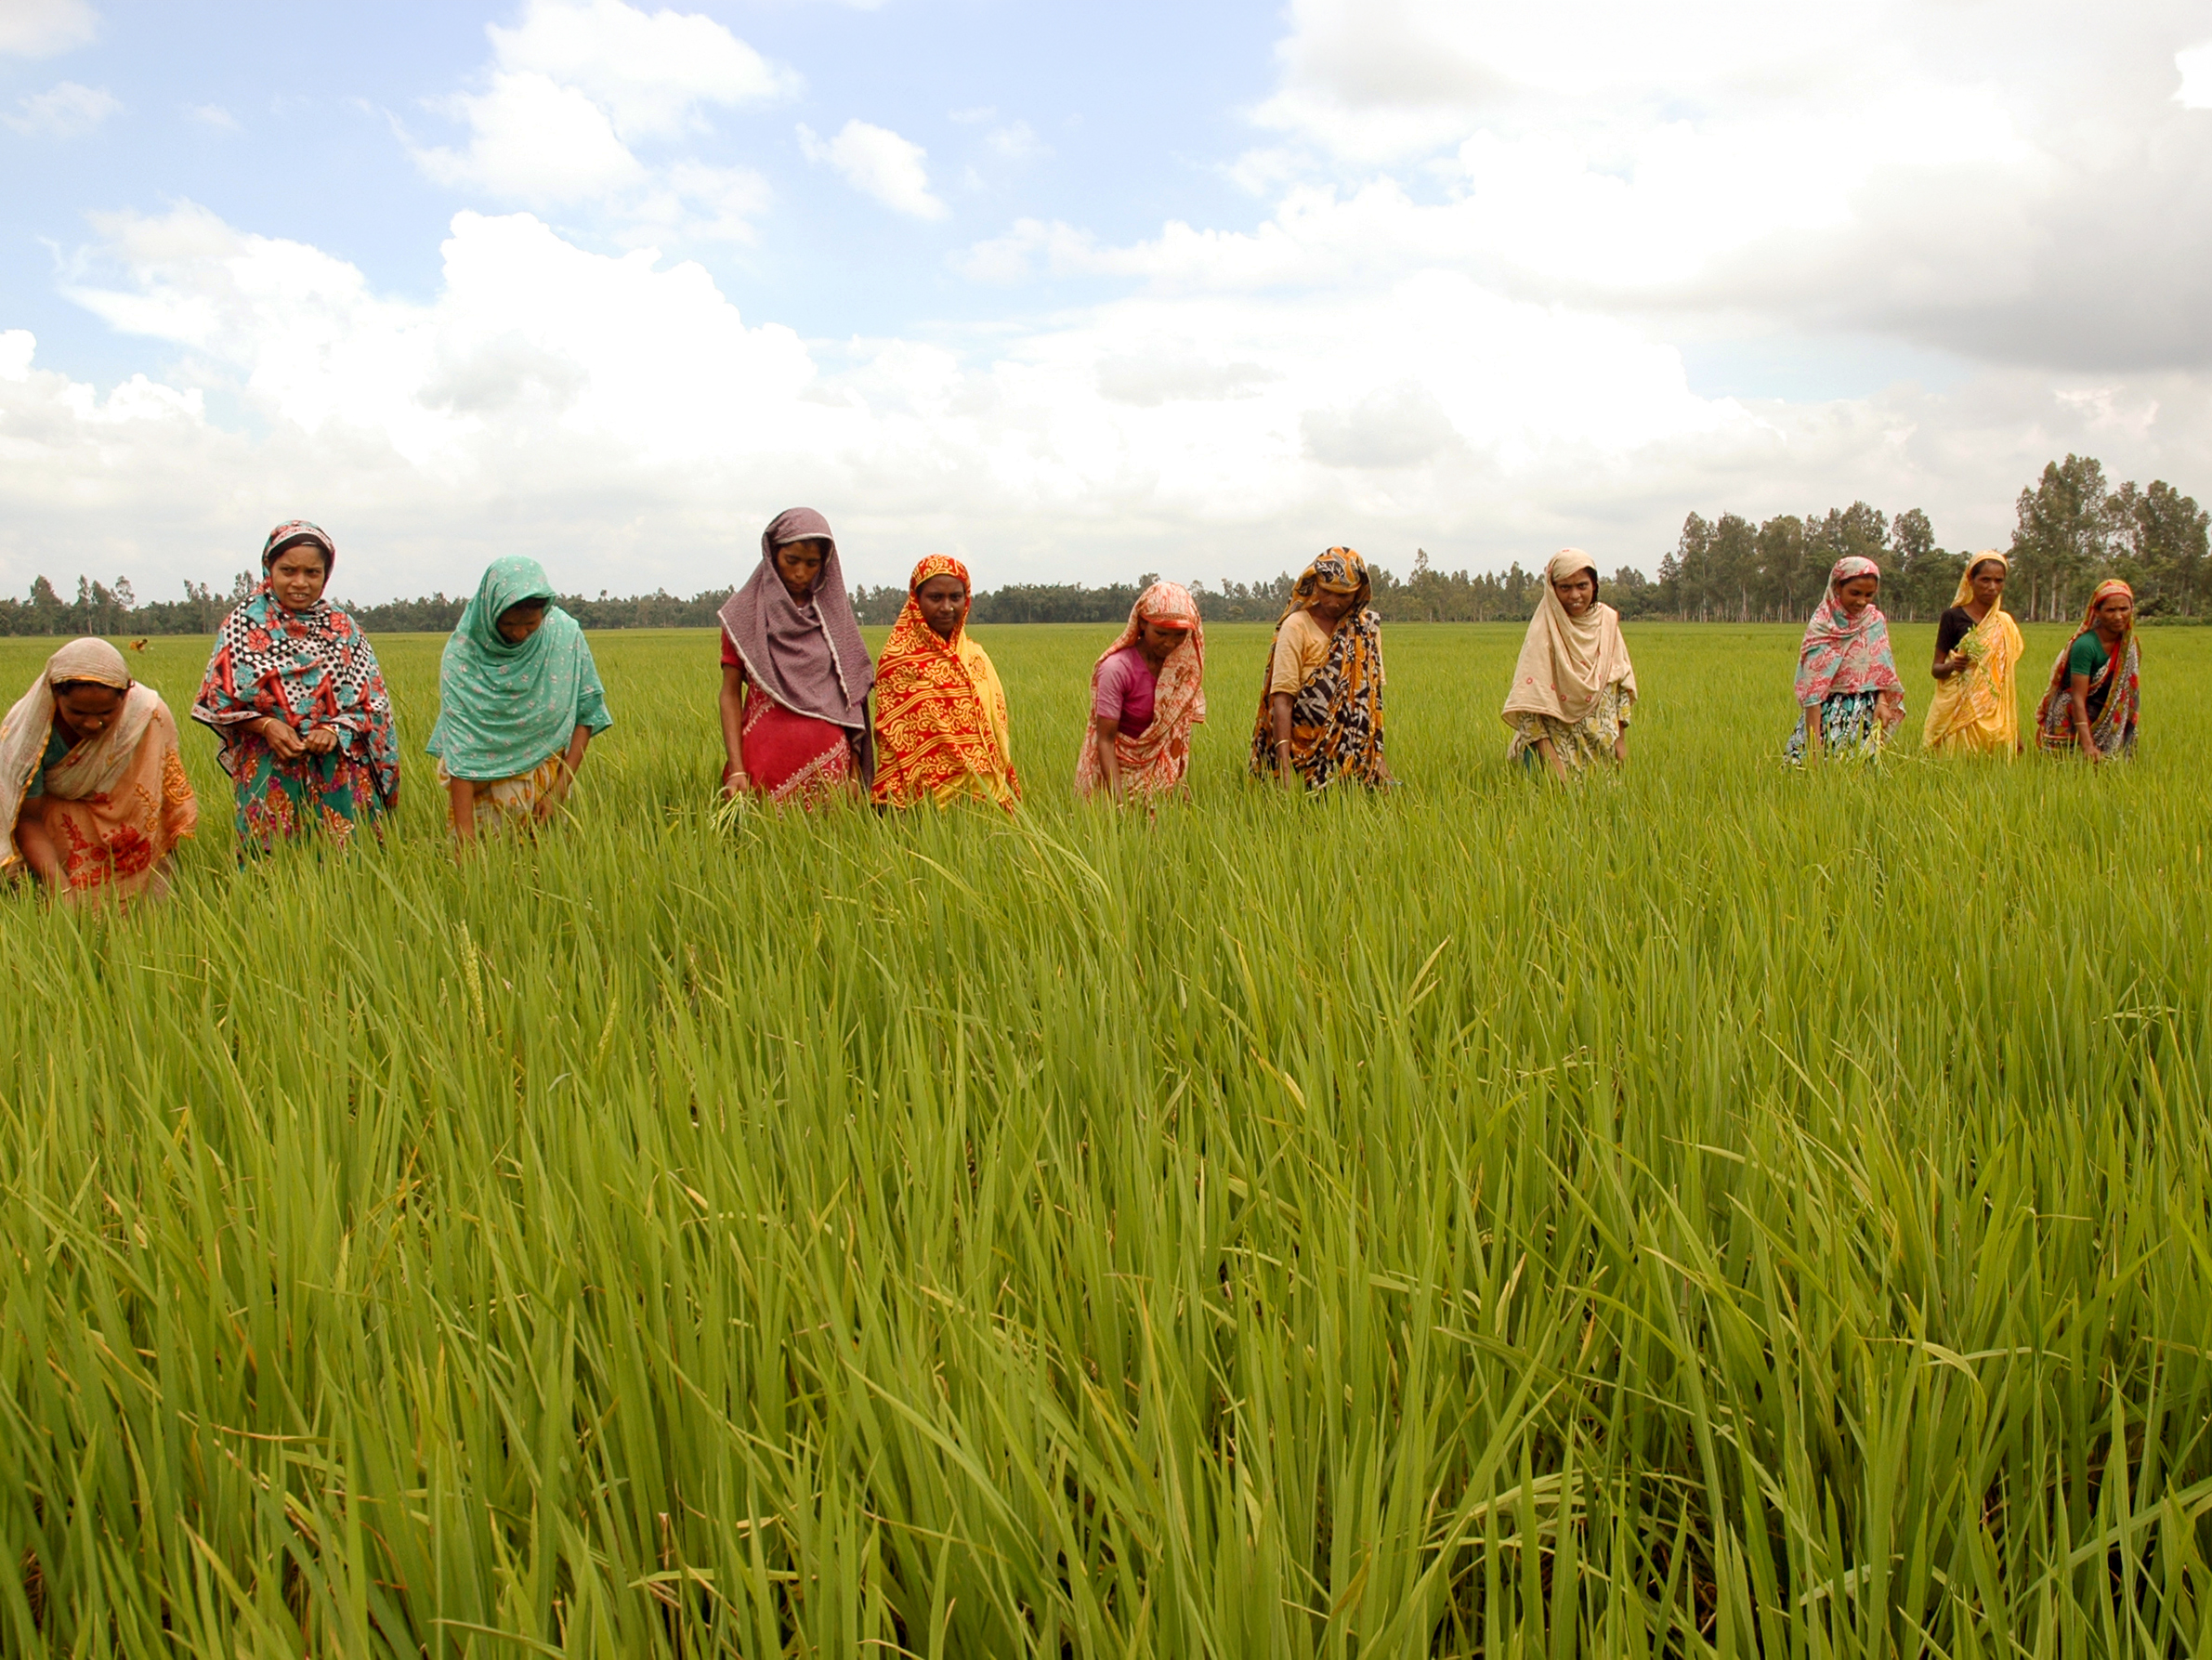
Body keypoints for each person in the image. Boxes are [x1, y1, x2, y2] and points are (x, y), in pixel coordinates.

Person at [191, 519, 400, 850]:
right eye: (288, 571)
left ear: (325, 575)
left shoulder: (342, 627)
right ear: (268, 568)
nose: (300, 583)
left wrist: (334, 729)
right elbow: (218, 700)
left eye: (312, 573)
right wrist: (267, 725)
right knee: (271, 863)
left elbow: (371, 702)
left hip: (338, 765)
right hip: (268, 761)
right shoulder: (243, 624)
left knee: (349, 864)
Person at [427, 557, 613, 844]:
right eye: (509, 624)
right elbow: (461, 750)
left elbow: (586, 715)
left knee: (546, 876)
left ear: (545, 613)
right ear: (489, 614)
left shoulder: (564, 637)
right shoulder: (464, 654)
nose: (519, 633)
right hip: (482, 799)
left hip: (547, 790)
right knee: (483, 879)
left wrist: (558, 793)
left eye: (530, 623)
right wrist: (464, 834)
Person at [0, 638, 197, 902]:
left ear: (126, 696)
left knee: (147, 914)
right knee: (59, 917)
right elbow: (28, 818)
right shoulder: (29, 736)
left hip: (130, 840)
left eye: (106, 712)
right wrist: (60, 887)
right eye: (77, 713)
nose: (93, 724)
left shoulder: (146, 716)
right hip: (57, 836)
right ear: (55, 696)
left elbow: (156, 803)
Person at [718, 508, 875, 807]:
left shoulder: (833, 620)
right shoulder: (743, 616)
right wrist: (736, 767)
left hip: (829, 767)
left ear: (825, 564)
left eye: (812, 563)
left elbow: (852, 695)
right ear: (772, 554)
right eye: (791, 560)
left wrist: (854, 771)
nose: (801, 572)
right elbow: (729, 694)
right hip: (762, 764)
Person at [870, 555, 1019, 811]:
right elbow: (893, 741)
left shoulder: (975, 657)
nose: (947, 607)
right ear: (916, 601)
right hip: (919, 804)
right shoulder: (898, 661)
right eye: (936, 597)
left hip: (982, 798)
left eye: (955, 597)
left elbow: (993, 728)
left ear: (967, 599)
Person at [1249, 546, 1389, 791]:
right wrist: (1284, 770)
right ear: (1314, 584)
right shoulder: (1296, 626)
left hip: (1354, 760)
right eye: (1326, 592)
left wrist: (1378, 759)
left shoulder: (1366, 630)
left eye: (1343, 596)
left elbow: (1372, 701)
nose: (1333, 602)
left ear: (1359, 593)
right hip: (1303, 755)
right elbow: (1282, 699)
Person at [1502, 549, 1637, 778]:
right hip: (1552, 751)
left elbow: (1621, 684)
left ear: (1594, 585)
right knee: (1550, 809)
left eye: (1582, 586)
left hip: (1602, 751)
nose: (1575, 595)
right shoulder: (1543, 629)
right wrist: (1554, 763)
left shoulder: (1606, 622)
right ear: (1552, 589)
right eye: (1565, 588)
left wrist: (1620, 741)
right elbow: (1530, 703)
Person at [1073, 581, 1205, 802]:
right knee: (1118, 834)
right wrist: (1118, 804)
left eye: (1179, 635)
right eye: (1161, 633)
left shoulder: (1180, 670)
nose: (1170, 643)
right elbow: (1105, 739)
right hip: (1117, 776)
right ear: (1142, 623)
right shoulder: (1116, 669)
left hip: (1161, 783)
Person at [1786, 556, 1905, 764]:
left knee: (1862, 776)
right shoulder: (1822, 626)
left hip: (1866, 714)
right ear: (1837, 587)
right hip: (1828, 715)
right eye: (1855, 593)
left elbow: (1882, 670)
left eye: (1869, 594)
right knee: (1811, 775)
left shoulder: (1874, 621)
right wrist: (1814, 750)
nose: (1862, 601)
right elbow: (1813, 693)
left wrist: (1882, 702)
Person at [1922, 551, 2022, 757]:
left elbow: (2006, 683)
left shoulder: (2004, 624)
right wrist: (1953, 666)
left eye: (1998, 581)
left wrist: (2015, 730)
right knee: (1953, 764)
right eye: (1985, 580)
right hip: (1958, 711)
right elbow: (1936, 669)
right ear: (1971, 580)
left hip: (1994, 714)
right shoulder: (1952, 617)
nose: (1992, 587)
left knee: (1991, 772)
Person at [2034, 578, 2138, 761]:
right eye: (2110, 610)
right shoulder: (2085, 646)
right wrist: (2087, 744)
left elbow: (2125, 690)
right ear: (2096, 612)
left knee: (2107, 772)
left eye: (2124, 609)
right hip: (2071, 716)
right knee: (2064, 772)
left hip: (2104, 713)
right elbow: (2077, 698)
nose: (2118, 616)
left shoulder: (2129, 645)